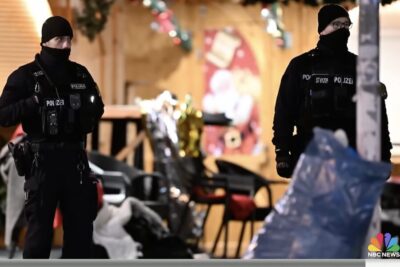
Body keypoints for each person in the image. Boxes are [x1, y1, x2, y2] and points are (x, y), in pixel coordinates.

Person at [0, 16, 104, 258]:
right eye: (60, 40)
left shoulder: (80, 74)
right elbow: (3, 115)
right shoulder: (25, 76)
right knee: (39, 235)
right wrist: (34, 103)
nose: (66, 46)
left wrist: (79, 109)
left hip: (75, 161)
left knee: (80, 234)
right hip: (41, 163)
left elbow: (98, 106)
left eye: (69, 40)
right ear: (46, 41)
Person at [272, 4, 392, 178]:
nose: (342, 30)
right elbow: (284, 113)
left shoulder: (361, 67)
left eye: (346, 25)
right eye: (336, 25)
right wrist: (282, 153)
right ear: (322, 29)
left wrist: (384, 155)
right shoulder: (301, 65)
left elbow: (377, 117)